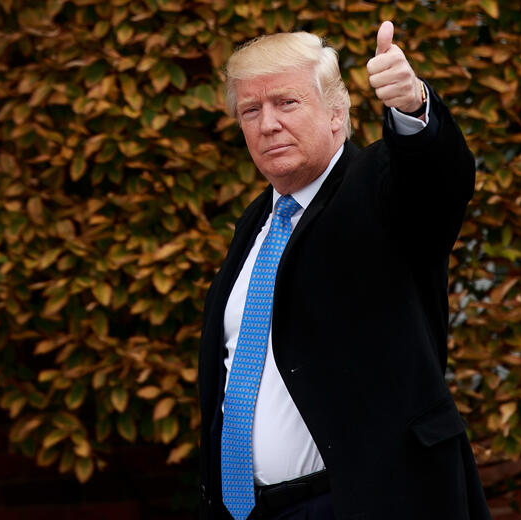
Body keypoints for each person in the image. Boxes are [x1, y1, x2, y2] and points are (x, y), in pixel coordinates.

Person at [198, 20, 491, 520]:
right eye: (251, 110)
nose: (267, 124)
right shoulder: (256, 223)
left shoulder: (378, 188)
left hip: (363, 502)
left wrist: (412, 107)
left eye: (286, 103)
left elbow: (438, 180)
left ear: (337, 114)